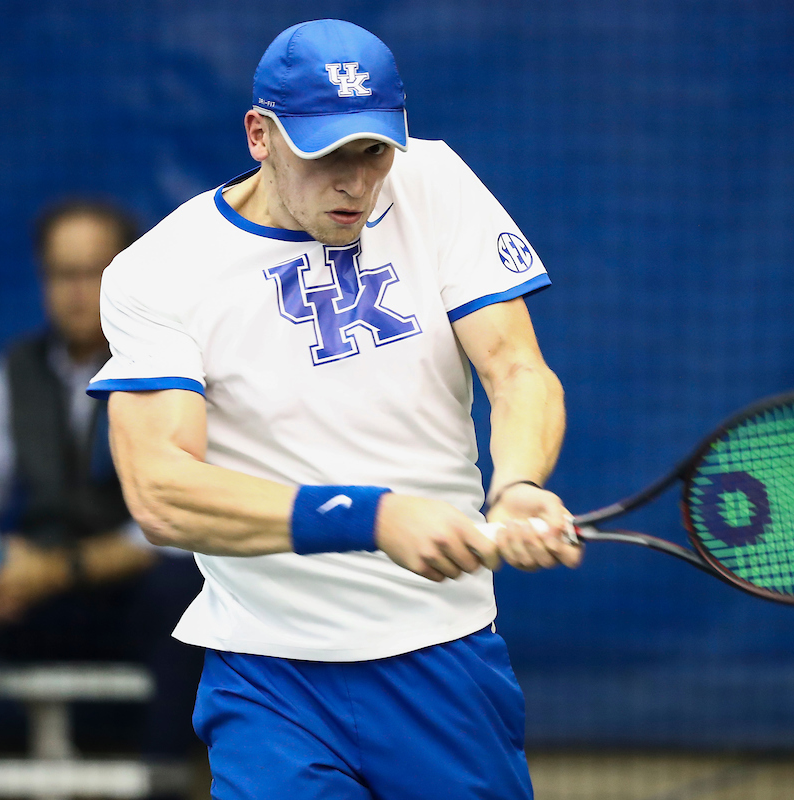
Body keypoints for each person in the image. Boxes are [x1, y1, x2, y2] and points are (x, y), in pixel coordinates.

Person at [89, 19, 581, 800]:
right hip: (270, 678)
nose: (355, 181)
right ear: (260, 135)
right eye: (326, 154)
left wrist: (517, 485)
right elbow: (160, 493)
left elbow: (517, 368)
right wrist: (372, 517)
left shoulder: (435, 182)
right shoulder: (157, 274)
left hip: (444, 658)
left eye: (375, 150)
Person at [0, 200, 204, 763]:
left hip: (126, 604)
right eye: (61, 274)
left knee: (186, 587)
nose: (77, 292)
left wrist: (63, 568)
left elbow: (183, 523)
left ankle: (166, 781)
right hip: (29, 602)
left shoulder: (170, 369)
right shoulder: (17, 370)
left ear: (129, 274)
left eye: (94, 272)